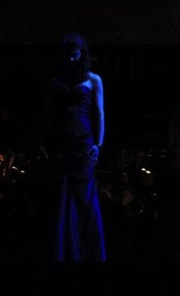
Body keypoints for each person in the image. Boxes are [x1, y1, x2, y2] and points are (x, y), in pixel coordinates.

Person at [40, 32, 106, 261]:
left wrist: (99, 145)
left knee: (83, 199)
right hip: (61, 145)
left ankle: (87, 252)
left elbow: (100, 114)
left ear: (81, 54)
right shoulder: (55, 82)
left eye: (75, 54)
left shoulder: (93, 79)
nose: (70, 58)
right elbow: (48, 116)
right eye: (67, 54)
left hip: (84, 145)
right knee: (61, 199)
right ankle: (65, 252)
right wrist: (44, 144)